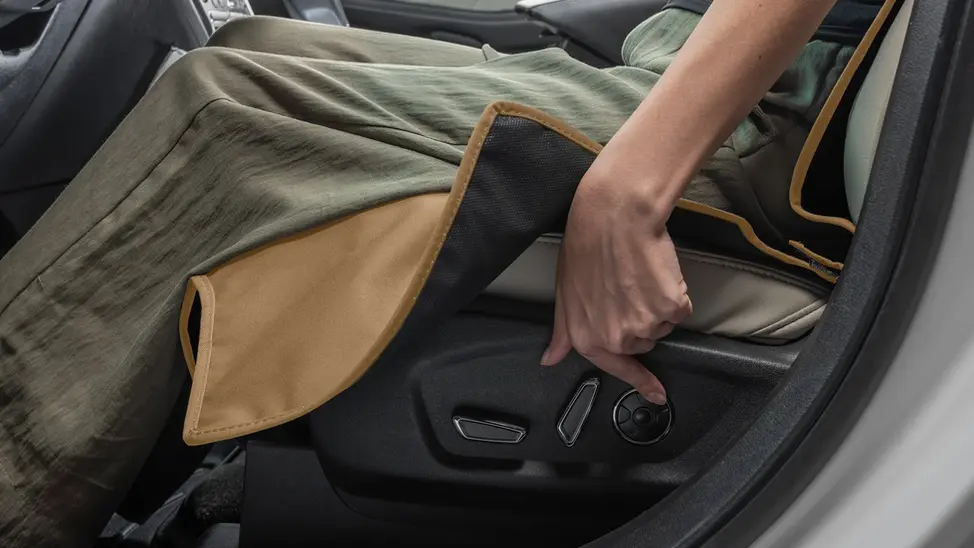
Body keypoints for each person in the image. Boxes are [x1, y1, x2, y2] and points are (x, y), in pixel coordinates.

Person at [0, 0, 883, 545]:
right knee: (250, 42)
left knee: (223, 117)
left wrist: (625, 191)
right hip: (693, 55)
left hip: (767, 103)